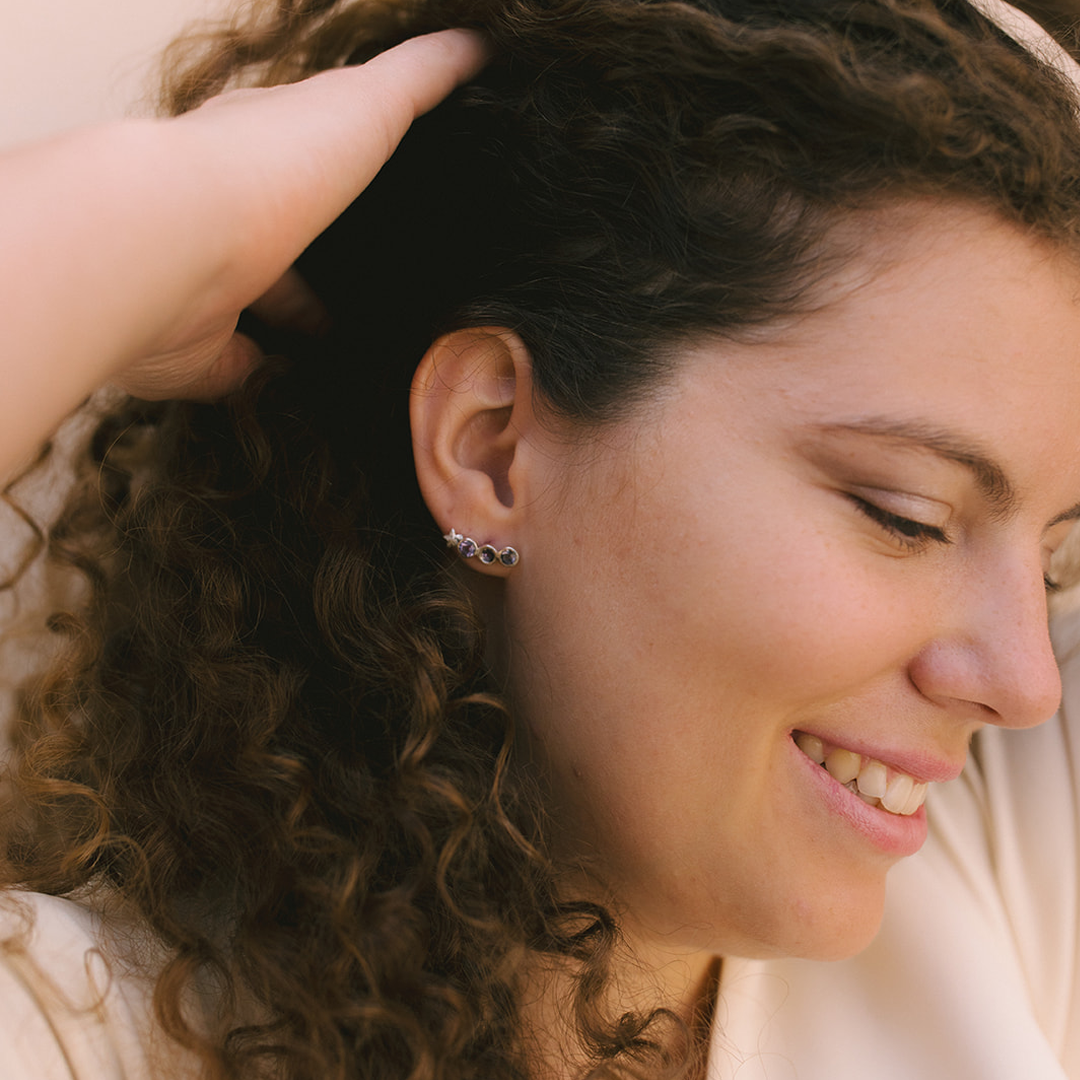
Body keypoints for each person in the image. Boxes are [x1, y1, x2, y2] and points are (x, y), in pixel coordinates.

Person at [3, 0, 1080, 1077]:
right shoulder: (78, 1031)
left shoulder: (995, 870)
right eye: (908, 515)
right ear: (490, 451)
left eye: (1059, 558)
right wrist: (146, 207)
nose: (1026, 681)